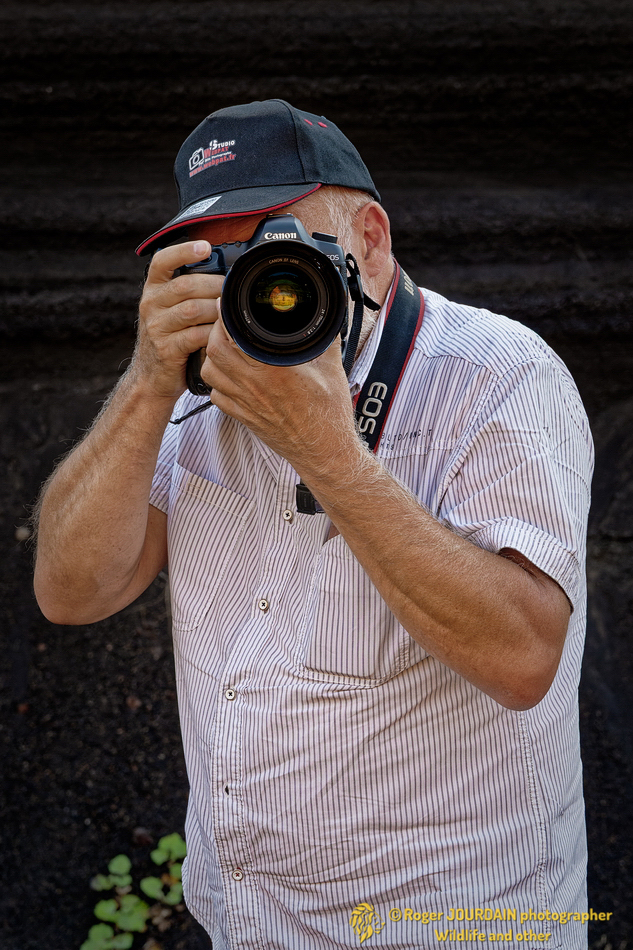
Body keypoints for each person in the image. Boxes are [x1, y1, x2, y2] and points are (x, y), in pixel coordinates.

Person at [34, 100, 593, 949]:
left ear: (370, 238)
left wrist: (328, 453)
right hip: (244, 924)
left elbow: (522, 660)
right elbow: (72, 593)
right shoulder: (193, 387)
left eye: (281, 244)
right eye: (218, 260)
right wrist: (148, 380)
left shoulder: (496, 378)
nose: (261, 282)